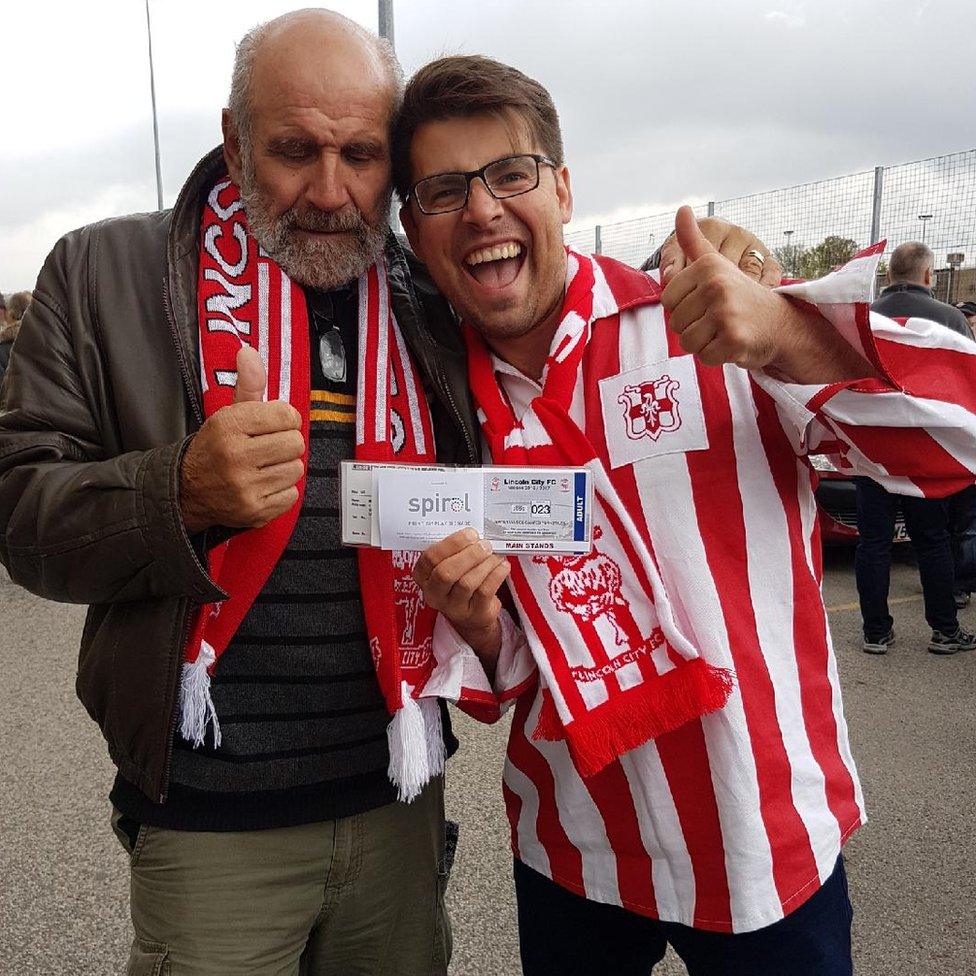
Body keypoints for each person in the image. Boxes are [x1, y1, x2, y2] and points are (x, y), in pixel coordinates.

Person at [0, 12, 775, 975]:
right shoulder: (103, 271)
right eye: (292, 151)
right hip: (211, 822)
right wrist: (177, 492)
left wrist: (724, 266)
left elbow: (556, 310)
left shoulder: (424, 289)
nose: (330, 192)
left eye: (361, 155)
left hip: (398, 800)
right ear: (234, 138)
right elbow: (23, 514)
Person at [394, 55, 976, 976]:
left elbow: (959, 441)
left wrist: (786, 332)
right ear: (415, 231)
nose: (482, 208)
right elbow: (508, 675)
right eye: (442, 189)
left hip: (762, 844)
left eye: (510, 173)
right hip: (573, 851)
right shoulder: (433, 408)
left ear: (563, 187)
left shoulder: (703, 315)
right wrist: (477, 617)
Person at [854, 242, 976, 646]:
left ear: (888, 276)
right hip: (928, 454)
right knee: (933, 540)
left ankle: (875, 632)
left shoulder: (860, 318)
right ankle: (944, 630)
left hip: (875, 451)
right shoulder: (951, 319)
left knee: (873, 542)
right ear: (929, 276)